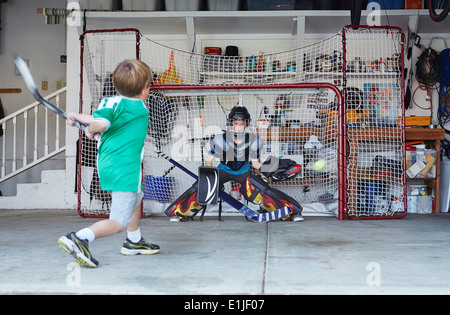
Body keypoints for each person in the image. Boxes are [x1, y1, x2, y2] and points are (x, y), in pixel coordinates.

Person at [57, 59, 160, 268]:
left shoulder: (110, 102)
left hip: (112, 163)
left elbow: (103, 119)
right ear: (143, 91)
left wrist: (78, 117)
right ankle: (79, 238)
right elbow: (101, 123)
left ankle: (134, 241)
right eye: (148, 86)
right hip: (124, 168)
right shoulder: (139, 107)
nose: (149, 89)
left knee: (136, 197)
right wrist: (93, 129)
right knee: (118, 222)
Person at [165, 105, 304, 222]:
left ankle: (290, 212)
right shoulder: (221, 139)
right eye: (236, 123)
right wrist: (208, 179)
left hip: (243, 172)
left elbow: (256, 164)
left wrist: (272, 168)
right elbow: (209, 161)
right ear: (231, 123)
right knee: (202, 186)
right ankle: (178, 212)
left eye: (242, 123)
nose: (239, 126)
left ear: (246, 124)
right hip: (224, 170)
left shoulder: (254, 140)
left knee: (262, 189)